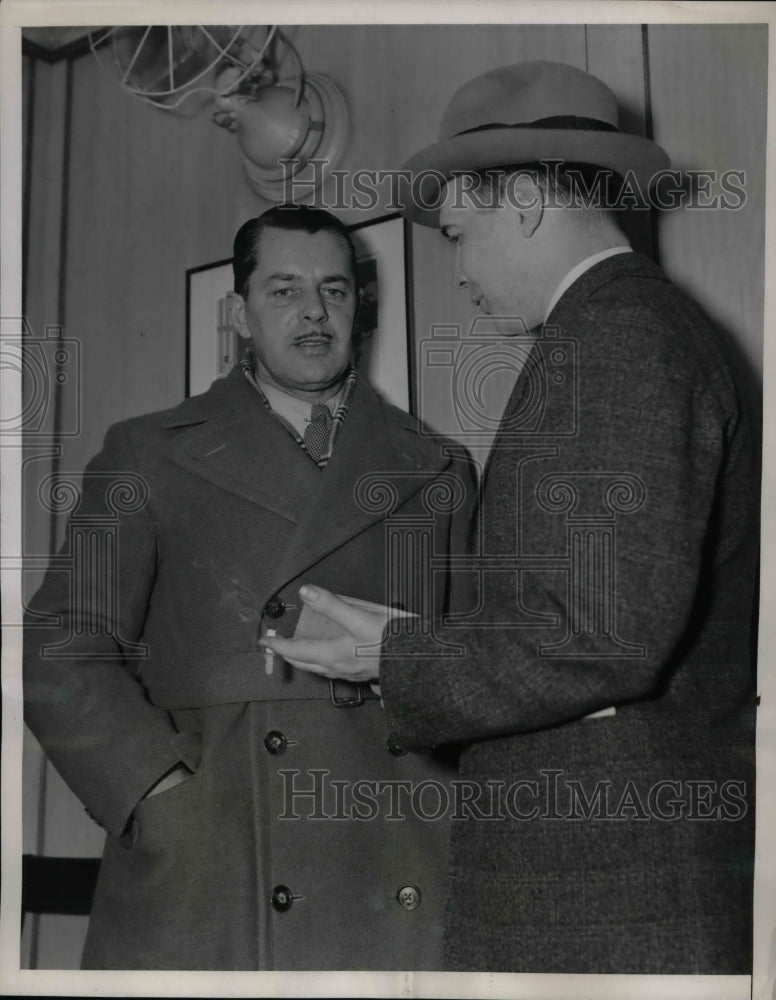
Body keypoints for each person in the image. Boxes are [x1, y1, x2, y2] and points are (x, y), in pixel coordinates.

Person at [262, 62, 759, 974]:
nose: (458, 271)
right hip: (604, 878)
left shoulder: (617, 340)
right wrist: (407, 636)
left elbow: (605, 635)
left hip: (604, 891)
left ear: (525, 198)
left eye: (458, 233)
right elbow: (587, 615)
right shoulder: (615, 330)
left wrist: (394, 656)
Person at [23, 205, 475, 970]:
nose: (313, 312)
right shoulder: (148, 452)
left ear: (358, 307)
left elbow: (476, 661)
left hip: (394, 849)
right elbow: (61, 646)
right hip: (216, 858)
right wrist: (155, 791)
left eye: (334, 290)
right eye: (284, 290)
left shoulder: (437, 463)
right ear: (238, 312)